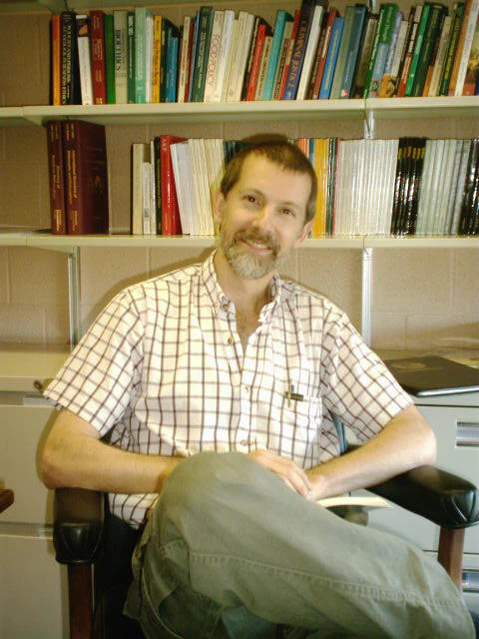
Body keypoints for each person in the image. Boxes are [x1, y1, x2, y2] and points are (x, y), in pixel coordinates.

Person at [41, 135, 476, 638]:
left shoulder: (321, 324)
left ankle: (420, 613)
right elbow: (59, 454)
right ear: (219, 205)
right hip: (186, 577)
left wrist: (315, 483)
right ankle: (436, 610)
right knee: (204, 480)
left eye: (285, 212)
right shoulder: (139, 310)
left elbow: (416, 436)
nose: (264, 223)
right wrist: (206, 477)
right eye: (252, 199)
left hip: (303, 568)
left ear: (302, 233)